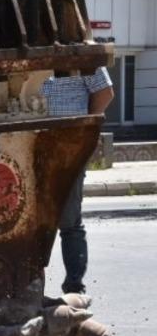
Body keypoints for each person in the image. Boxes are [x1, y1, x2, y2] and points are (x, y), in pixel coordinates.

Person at [43, 68, 114, 294]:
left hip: (71, 146)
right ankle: (30, 283)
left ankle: (74, 285)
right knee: (34, 221)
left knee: (69, 218)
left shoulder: (81, 56)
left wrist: (85, 130)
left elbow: (105, 92)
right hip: (33, 146)